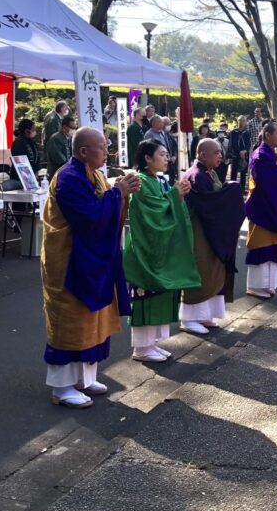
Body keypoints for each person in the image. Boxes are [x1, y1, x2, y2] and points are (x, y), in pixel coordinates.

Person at [41, 127, 141, 408]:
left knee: (92, 318)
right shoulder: (69, 178)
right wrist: (117, 193)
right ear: (83, 151)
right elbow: (88, 218)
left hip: (92, 258)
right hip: (70, 261)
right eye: (102, 147)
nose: (107, 151)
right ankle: (62, 387)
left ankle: (85, 378)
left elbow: (105, 205)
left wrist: (122, 192)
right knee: (70, 319)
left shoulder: (94, 174)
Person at [123, 140, 201, 362]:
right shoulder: (140, 182)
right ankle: (141, 347)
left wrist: (179, 195)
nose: (167, 159)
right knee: (145, 296)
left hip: (160, 249)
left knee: (161, 295)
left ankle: (151, 344)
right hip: (144, 249)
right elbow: (153, 213)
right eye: (162, 154)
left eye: (167, 155)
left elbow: (168, 207)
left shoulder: (159, 180)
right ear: (147, 158)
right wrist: (175, 196)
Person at [178, 138, 246, 333]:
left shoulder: (208, 173)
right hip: (199, 230)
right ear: (202, 155)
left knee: (213, 271)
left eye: (220, 152)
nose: (220, 156)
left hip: (210, 230)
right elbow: (210, 204)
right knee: (201, 270)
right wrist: (232, 192)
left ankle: (205, 315)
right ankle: (189, 318)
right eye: (216, 152)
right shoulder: (196, 176)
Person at [244, 122, 277, 298]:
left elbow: (276, 173)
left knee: (274, 245)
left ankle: (270, 284)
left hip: (272, 205)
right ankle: (256, 286)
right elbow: (267, 177)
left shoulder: (271, 152)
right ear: (267, 134)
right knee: (262, 244)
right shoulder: (260, 155)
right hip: (262, 207)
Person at [4, 119, 42, 190]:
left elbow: (37, 158)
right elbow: (20, 162)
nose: (35, 131)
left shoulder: (32, 142)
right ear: (27, 131)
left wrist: (36, 172)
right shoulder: (19, 143)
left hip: (32, 176)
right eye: (33, 129)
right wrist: (28, 177)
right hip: (20, 177)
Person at [228, 116, 252, 192]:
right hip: (235, 155)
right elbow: (232, 144)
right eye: (240, 120)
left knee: (243, 172)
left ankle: (242, 188)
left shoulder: (247, 132)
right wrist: (239, 152)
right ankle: (232, 188)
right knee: (233, 173)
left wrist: (245, 151)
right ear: (237, 121)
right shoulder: (233, 132)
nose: (241, 122)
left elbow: (249, 144)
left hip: (245, 155)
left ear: (246, 122)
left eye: (243, 120)